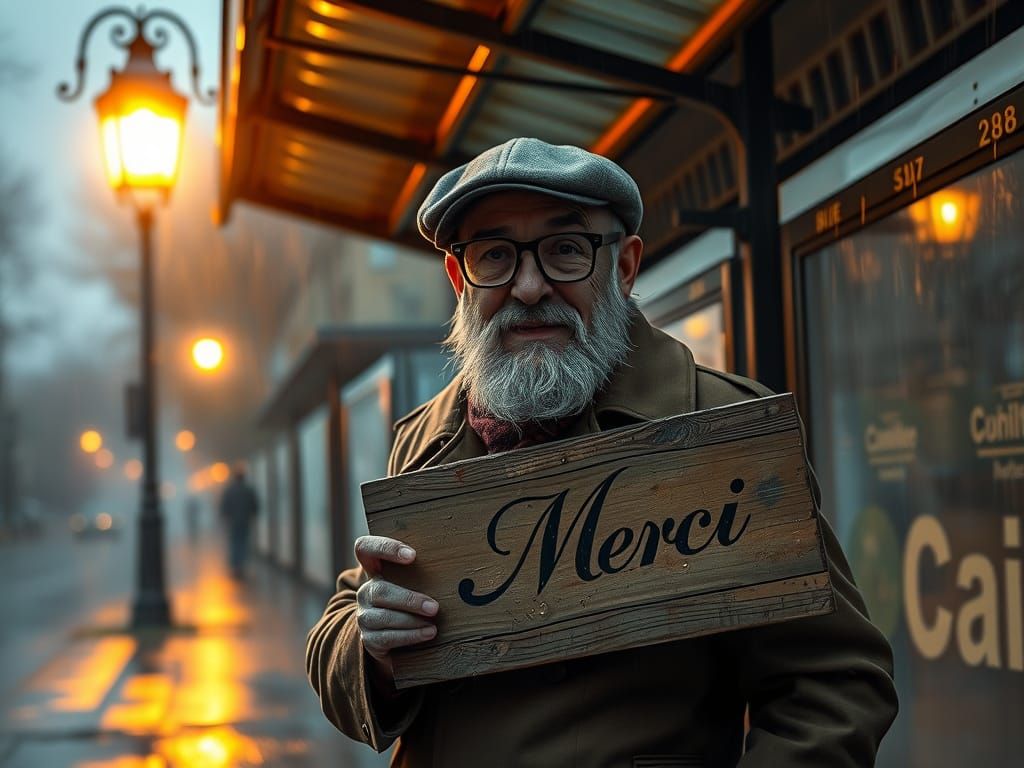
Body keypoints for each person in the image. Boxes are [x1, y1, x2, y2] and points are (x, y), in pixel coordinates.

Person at [306, 138, 897, 767]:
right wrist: (372, 649)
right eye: (496, 255)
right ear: (460, 279)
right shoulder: (428, 440)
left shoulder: (717, 432)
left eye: (566, 250)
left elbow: (835, 687)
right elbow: (341, 627)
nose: (529, 288)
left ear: (623, 267)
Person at [219, 464, 259, 579]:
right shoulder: (248, 490)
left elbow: (224, 507)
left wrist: (227, 517)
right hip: (245, 521)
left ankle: (236, 566)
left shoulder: (230, 491)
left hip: (233, 522)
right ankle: (241, 565)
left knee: (235, 543)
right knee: (243, 543)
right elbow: (255, 506)